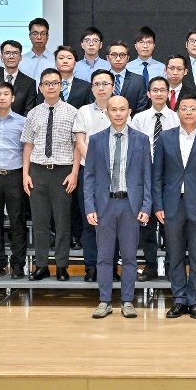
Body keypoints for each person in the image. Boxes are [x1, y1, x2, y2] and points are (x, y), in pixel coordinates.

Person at [83, 96, 152, 319]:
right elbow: (89, 176)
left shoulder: (141, 140)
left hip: (130, 206)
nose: (118, 113)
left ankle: (127, 301)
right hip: (105, 205)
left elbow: (147, 176)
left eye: (122, 109)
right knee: (104, 257)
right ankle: (104, 301)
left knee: (130, 256)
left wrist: (146, 205)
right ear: (107, 113)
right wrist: (90, 206)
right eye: (114, 109)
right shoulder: (96, 140)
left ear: (129, 111)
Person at [153, 95, 196, 319]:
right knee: (174, 255)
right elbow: (157, 175)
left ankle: (195, 301)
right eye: (184, 108)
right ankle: (179, 299)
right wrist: (158, 204)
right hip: (172, 205)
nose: (189, 112)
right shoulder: (165, 137)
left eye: (193, 109)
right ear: (177, 112)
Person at [22, 68, 82, 281]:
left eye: (55, 83)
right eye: (46, 83)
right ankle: (41, 265)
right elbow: (28, 145)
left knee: (62, 222)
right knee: (40, 222)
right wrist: (25, 174)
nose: (51, 87)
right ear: (40, 87)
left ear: (61, 86)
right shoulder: (33, 113)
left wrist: (74, 173)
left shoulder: (73, 112)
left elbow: (77, 146)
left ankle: (62, 266)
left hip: (63, 173)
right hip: (38, 171)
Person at [73, 70, 118, 281]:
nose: (101, 88)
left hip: (116, 175)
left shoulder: (120, 109)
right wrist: (96, 164)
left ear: (113, 87)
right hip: (89, 173)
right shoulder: (83, 111)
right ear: (91, 89)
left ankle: (111, 267)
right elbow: (80, 142)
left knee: (113, 223)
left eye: (105, 84)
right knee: (89, 221)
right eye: (97, 84)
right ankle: (91, 267)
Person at [130, 75, 177, 280]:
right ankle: (150, 266)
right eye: (154, 90)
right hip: (145, 175)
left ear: (168, 93)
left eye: (162, 90)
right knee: (147, 224)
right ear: (148, 94)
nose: (159, 93)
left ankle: (171, 266)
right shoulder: (138, 119)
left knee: (170, 224)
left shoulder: (176, 118)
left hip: (170, 175)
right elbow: (133, 150)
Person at [0, 82, 29, 279]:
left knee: (17, 221)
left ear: (13, 98)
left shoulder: (22, 121)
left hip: (15, 176)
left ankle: (18, 265)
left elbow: (27, 150)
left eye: (6, 94)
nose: (2, 97)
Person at [0, 40, 38, 116]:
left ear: (20, 57)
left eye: (15, 53)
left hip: (20, 123)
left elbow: (29, 112)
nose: (11, 57)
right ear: (2, 57)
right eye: (7, 53)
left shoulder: (29, 83)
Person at [107, 40, 152, 113]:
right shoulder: (101, 80)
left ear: (128, 58)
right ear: (108, 58)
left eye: (122, 55)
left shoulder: (138, 81)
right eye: (114, 55)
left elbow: (142, 108)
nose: (118, 59)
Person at [22, 18, 55, 83]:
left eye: (43, 34)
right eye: (35, 33)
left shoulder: (55, 60)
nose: (39, 37)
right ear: (29, 36)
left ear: (47, 36)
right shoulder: (21, 61)